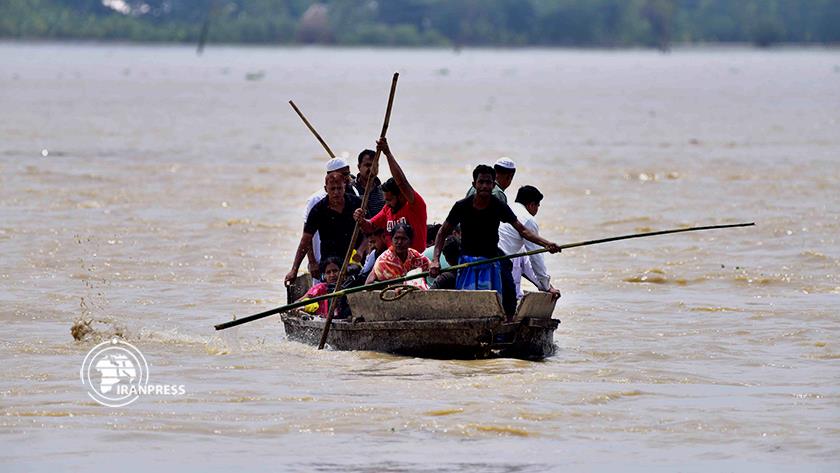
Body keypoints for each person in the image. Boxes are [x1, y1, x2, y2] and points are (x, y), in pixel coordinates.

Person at [431, 165, 560, 316]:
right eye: (481, 182)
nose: (484, 186)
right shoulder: (462, 206)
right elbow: (442, 232)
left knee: (507, 290)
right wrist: (435, 260)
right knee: (468, 303)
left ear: (493, 185)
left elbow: (523, 230)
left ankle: (508, 320)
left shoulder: (498, 206)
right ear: (474, 184)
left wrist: (546, 244)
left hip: (492, 259)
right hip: (467, 261)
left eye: (488, 182)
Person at [286, 171, 362, 286]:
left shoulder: (356, 203)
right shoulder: (318, 210)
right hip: (329, 261)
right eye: (332, 189)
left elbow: (370, 232)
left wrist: (361, 250)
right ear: (326, 189)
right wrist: (296, 269)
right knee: (327, 284)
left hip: (353, 258)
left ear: (344, 186)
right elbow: (305, 240)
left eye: (339, 188)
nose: (336, 192)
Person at [353, 137, 427, 253]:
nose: (386, 203)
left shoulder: (414, 204)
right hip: (392, 264)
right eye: (385, 200)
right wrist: (361, 220)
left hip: (415, 263)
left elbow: (401, 182)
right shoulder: (387, 209)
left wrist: (387, 153)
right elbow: (370, 226)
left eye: (389, 200)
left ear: (402, 195)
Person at [498, 185, 561, 300]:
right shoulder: (528, 220)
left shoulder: (506, 208)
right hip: (502, 263)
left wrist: (545, 284)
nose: (537, 210)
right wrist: (546, 287)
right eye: (538, 206)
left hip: (490, 259)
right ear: (532, 205)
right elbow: (536, 256)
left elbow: (529, 262)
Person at [302, 157, 356, 279]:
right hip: (321, 258)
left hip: (346, 258)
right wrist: (312, 261)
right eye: (344, 174)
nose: (348, 178)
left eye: (348, 174)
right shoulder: (315, 200)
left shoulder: (353, 195)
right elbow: (306, 235)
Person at [366, 223, 431, 288]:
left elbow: (431, 269)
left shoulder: (416, 257)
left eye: (403, 239)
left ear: (410, 241)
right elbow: (368, 284)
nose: (399, 242)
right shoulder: (383, 260)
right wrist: (391, 286)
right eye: (396, 238)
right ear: (392, 240)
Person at [351, 149, 386, 216]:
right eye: (368, 165)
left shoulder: (384, 191)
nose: (371, 169)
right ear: (359, 167)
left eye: (374, 165)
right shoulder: (350, 189)